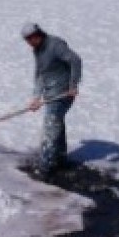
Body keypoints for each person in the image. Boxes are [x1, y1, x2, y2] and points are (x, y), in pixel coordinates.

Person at [21, 22, 82, 178]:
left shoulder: (55, 45)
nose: (29, 43)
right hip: (50, 94)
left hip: (63, 93)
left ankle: (45, 167)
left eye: (30, 39)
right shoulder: (38, 50)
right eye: (27, 40)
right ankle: (60, 158)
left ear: (38, 34)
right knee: (57, 124)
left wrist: (73, 85)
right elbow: (41, 74)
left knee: (51, 126)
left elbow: (75, 60)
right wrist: (36, 97)